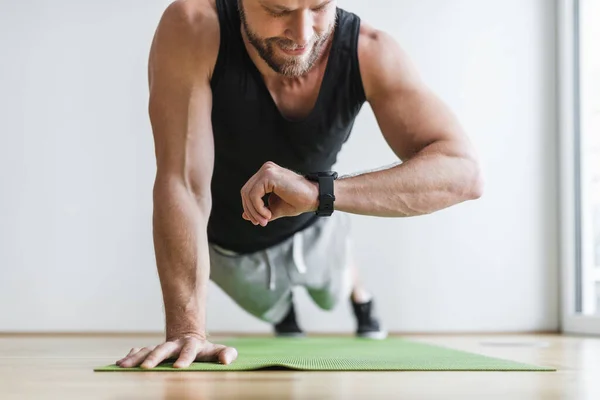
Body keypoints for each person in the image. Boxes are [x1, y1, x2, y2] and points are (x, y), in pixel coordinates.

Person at [116, 0, 483, 369]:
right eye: (278, 9)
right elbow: (182, 183)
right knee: (273, 306)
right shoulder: (192, 26)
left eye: (320, 7)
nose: (304, 35)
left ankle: (360, 295)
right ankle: (286, 311)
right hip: (229, 253)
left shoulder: (371, 51)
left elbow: (463, 172)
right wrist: (187, 331)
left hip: (317, 227)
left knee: (332, 294)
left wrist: (318, 194)